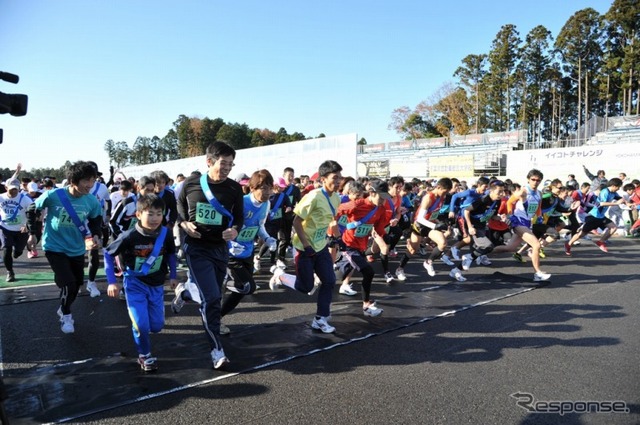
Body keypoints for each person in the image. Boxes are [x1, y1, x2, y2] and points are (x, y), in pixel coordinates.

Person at [176, 141, 244, 369]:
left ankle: (186, 292)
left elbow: (240, 218)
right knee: (212, 299)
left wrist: (235, 230)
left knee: (213, 296)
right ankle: (217, 350)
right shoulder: (190, 184)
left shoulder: (234, 189)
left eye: (230, 165)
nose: (226, 169)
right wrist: (184, 224)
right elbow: (178, 209)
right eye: (223, 164)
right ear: (209, 162)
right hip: (197, 249)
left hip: (220, 249)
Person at [26, 161, 103, 334]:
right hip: (54, 246)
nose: (90, 185)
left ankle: (63, 305)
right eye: (86, 181)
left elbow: (96, 219)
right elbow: (32, 209)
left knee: (75, 286)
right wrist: (32, 233)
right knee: (68, 284)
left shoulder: (91, 200)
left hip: (76, 248)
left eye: (93, 180)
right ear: (74, 180)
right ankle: (66, 316)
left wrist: (96, 234)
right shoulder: (53, 195)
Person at [103, 194, 177, 372]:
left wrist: (173, 276)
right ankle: (145, 355)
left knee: (157, 326)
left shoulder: (165, 233)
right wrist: (112, 282)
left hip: (157, 285)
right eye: (150, 214)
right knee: (141, 325)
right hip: (135, 284)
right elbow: (107, 253)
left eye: (159, 214)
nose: (155, 218)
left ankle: (143, 331)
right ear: (138, 214)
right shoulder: (129, 236)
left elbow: (171, 254)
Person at [268, 160, 343, 333]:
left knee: (329, 281)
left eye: (340, 178)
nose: (338, 181)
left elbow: (331, 219)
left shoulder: (336, 197)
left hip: (321, 246)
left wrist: (336, 238)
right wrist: (307, 245)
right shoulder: (313, 196)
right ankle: (280, 276)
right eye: (335, 177)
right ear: (323, 179)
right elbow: (296, 222)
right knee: (306, 287)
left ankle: (320, 319)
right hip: (304, 248)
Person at [220, 170, 277, 332]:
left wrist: (267, 239)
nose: (267, 193)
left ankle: (217, 317)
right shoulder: (241, 202)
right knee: (248, 286)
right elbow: (225, 225)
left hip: (247, 252)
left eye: (269, 188)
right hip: (231, 254)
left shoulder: (266, 204)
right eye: (263, 188)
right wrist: (230, 243)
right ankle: (219, 285)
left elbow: (260, 226)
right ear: (252, 188)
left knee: (243, 290)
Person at [334, 180, 389, 316]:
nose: (383, 201)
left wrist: (380, 238)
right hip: (347, 245)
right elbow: (334, 213)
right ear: (371, 193)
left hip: (361, 246)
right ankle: (367, 306)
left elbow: (379, 228)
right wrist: (335, 232)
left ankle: (318, 276)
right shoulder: (357, 204)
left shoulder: (380, 209)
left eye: (385, 198)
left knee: (336, 275)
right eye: (380, 198)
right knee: (368, 272)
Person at [492, 169, 551, 282]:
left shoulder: (539, 193)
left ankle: (483, 252)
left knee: (510, 248)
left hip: (527, 222)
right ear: (528, 179)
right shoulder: (523, 191)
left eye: (538, 180)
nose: (535, 182)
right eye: (533, 179)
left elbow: (538, 207)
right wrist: (510, 216)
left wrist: (539, 217)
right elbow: (509, 202)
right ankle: (537, 273)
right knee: (536, 245)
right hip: (518, 221)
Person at [565, 178, 627, 255]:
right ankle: (569, 244)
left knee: (613, 227)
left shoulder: (613, 193)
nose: (618, 189)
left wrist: (628, 203)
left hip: (601, 216)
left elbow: (620, 198)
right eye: (618, 187)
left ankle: (600, 242)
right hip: (593, 216)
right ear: (614, 186)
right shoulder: (605, 192)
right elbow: (602, 203)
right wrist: (616, 203)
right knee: (582, 233)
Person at [0, 178, 34, 282]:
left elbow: (33, 212)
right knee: (7, 249)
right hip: (5, 228)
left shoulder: (25, 199)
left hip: (21, 229)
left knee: (18, 252)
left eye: (16, 189)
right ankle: (10, 272)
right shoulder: (1, 198)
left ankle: (17, 251)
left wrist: (28, 226)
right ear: (6, 188)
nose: (14, 191)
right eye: (11, 189)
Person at [276, 167, 301, 269]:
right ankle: (279, 259)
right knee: (283, 239)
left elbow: (300, 202)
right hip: (278, 217)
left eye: (292, 176)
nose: (291, 178)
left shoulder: (295, 189)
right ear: (284, 176)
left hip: (291, 217)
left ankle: (289, 258)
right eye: (289, 176)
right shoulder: (278, 187)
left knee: (292, 238)